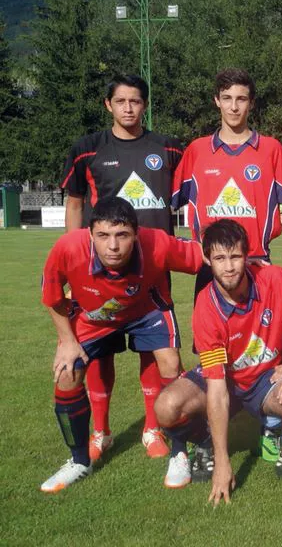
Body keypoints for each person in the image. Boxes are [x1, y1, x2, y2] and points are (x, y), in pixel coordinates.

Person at [39, 197, 203, 493]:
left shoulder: (158, 243)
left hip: (147, 311)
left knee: (170, 363)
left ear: (136, 234)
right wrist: (66, 340)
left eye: (122, 235)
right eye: (103, 236)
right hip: (94, 316)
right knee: (67, 374)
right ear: (90, 234)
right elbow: (51, 295)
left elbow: (204, 255)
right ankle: (79, 460)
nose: (112, 246)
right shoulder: (68, 248)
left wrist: (251, 258)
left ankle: (178, 452)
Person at [60, 74, 184, 461]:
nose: (129, 108)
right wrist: (73, 263)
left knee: (155, 351)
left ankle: (152, 428)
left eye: (136, 101)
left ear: (145, 105)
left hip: (151, 272)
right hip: (100, 275)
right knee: (99, 352)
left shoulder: (168, 149)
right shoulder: (87, 150)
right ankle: (101, 432)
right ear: (108, 105)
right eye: (121, 101)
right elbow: (76, 205)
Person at [155, 220, 282, 503]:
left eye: (235, 257)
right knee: (166, 408)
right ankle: (204, 442)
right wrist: (223, 460)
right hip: (223, 381)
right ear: (207, 259)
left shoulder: (274, 279)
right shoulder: (206, 307)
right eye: (219, 258)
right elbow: (217, 389)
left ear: (248, 254)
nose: (229, 267)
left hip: (264, 380)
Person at [171, 68, 282, 288]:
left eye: (241, 99)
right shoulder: (197, 150)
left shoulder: (271, 150)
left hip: (258, 267)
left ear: (251, 103)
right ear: (217, 101)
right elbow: (166, 205)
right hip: (211, 268)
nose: (233, 107)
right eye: (226, 98)